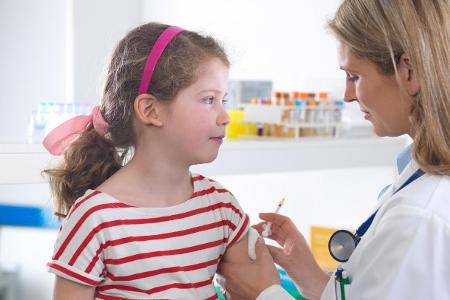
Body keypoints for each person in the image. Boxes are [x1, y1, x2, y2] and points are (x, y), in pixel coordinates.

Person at [217, 0, 450, 299]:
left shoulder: (419, 217)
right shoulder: (419, 182)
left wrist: (262, 293)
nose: (347, 95)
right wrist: (313, 279)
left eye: (354, 76)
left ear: (410, 72)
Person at [43, 23, 253, 299]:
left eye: (223, 100)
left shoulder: (221, 207)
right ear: (150, 110)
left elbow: (257, 287)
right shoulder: (94, 220)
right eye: (208, 99)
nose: (225, 116)